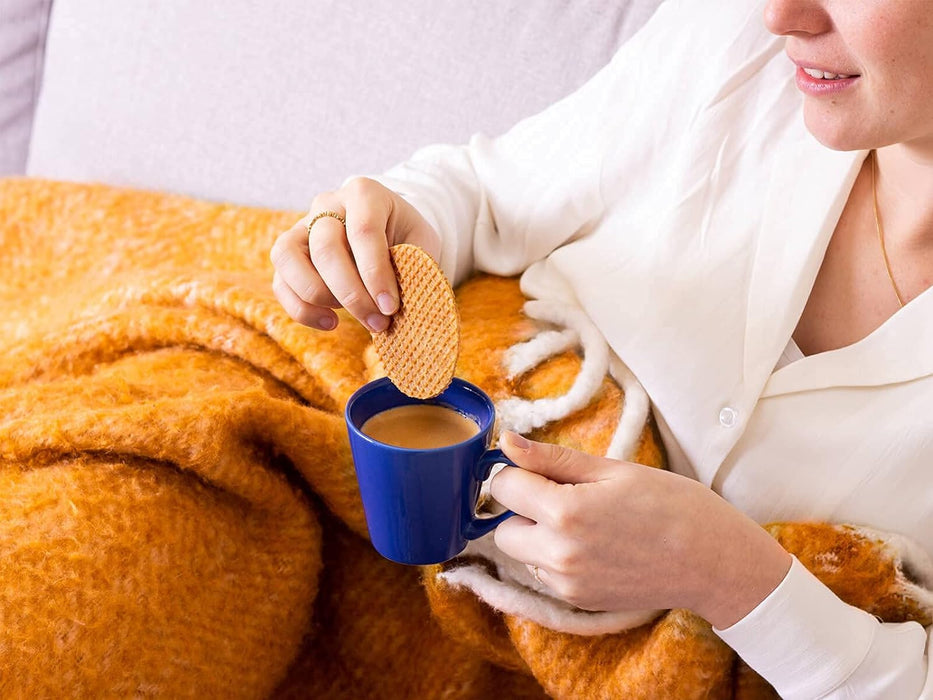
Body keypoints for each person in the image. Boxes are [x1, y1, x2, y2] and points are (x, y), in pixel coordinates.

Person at [270, 0, 933, 696]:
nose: (780, 15)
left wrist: (727, 574)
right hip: (364, 537)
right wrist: (391, 232)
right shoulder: (733, 41)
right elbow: (485, 194)